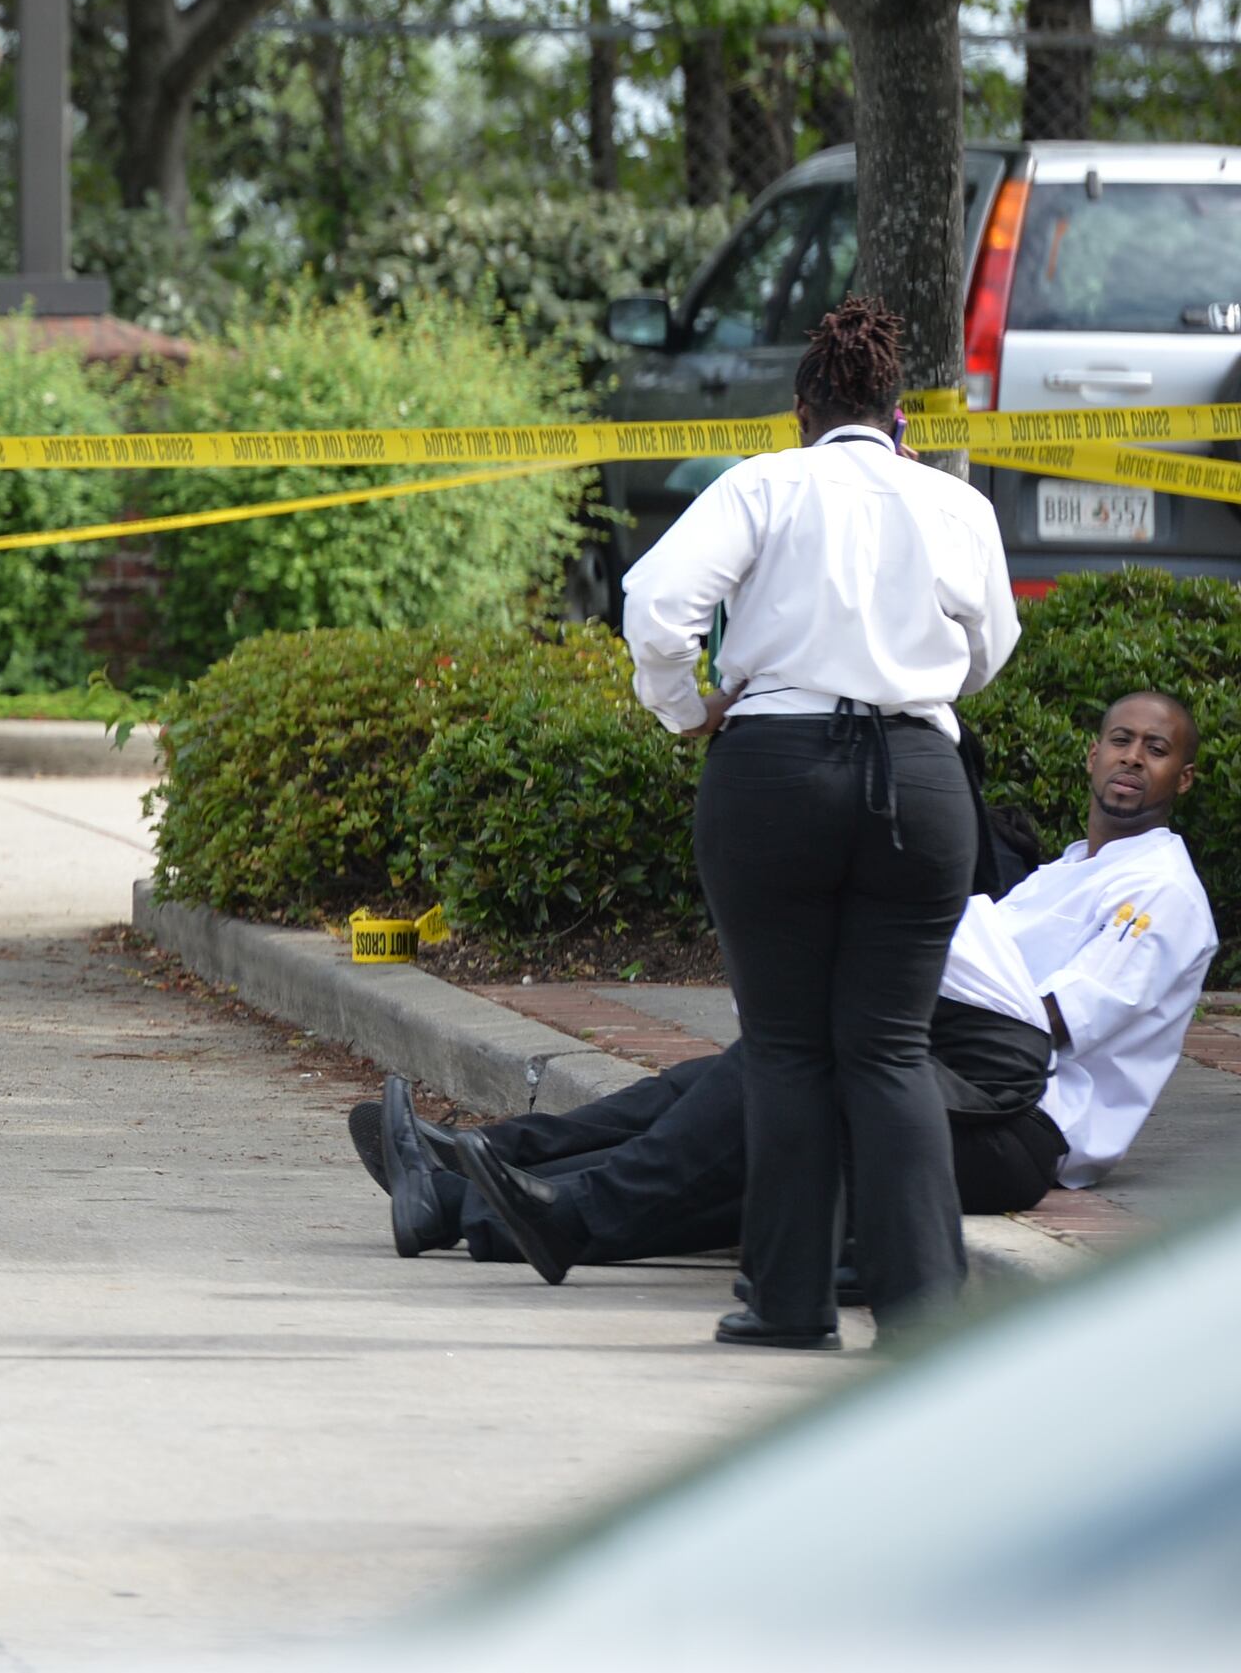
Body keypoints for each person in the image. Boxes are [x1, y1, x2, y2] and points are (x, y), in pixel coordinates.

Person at [352, 692, 1213, 1276]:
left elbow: (1049, 1023)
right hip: (945, 1077)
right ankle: (469, 1180)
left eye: (1158, 749)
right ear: (1092, 751)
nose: (1133, 759)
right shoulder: (1062, 870)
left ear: (1184, 775)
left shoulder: (1164, 891)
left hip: (1018, 1127)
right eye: (1122, 740)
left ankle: (507, 1195)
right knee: (728, 1088)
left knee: (758, 1111)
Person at [620, 296, 1019, 1347]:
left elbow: (657, 604)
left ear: (800, 410)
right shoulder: (952, 503)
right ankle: (926, 1312)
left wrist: (685, 707)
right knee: (888, 1050)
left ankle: (788, 1305)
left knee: (789, 1047)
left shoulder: (764, 482)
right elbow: (991, 648)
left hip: (773, 771)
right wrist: (915, 689)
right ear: (900, 418)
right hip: (919, 782)